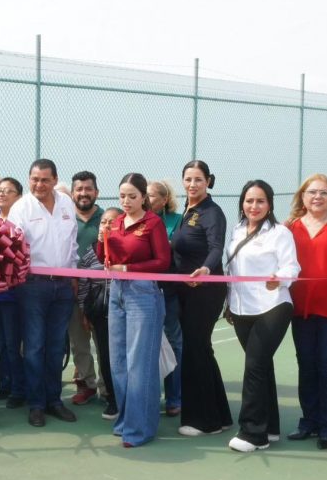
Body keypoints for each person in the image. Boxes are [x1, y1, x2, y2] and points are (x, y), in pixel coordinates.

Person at [225, 180, 299, 453]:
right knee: (262, 366)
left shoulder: (280, 233)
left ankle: (253, 433)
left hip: (273, 306)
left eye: (260, 201)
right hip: (242, 308)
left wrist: (278, 279)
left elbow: (292, 266)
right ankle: (270, 427)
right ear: (242, 203)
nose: (253, 206)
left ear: (269, 205)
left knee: (254, 365)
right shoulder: (236, 231)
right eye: (248, 201)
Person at [97, 174, 170, 447]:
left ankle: (140, 429)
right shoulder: (114, 223)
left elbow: (163, 262)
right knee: (118, 363)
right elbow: (107, 258)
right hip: (116, 292)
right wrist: (102, 242)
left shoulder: (153, 223)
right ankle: (126, 421)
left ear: (143, 198)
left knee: (140, 363)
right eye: (122, 196)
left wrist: (127, 269)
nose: (126, 202)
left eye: (132, 196)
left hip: (143, 294)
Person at [8, 159, 79, 428]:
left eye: (45, 180)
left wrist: (72, 275)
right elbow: (13, 249)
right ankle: (36, 404)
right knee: (35, 346)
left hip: (63, 284)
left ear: (54, 180)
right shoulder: (20, 208)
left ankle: (55, 400)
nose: (39, 184)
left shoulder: (66, 203)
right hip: (32, 285)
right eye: (34, 179)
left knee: (56, 345)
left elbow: (71, 243)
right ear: (29, 180)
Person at [287, 174, 327, 450]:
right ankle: (309, 421)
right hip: (300, 309)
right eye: (312, 192)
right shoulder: (289, 228)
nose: (318, 197)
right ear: (302, 197)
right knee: (306, 363)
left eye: (324, 193)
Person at [170, 160, 232, 437]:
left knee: (195, 351)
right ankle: (220, 415)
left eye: (198, 179)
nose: (192, 184)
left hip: (204, 290)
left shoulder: (212, 212)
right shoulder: (187, 209)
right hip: (185, 291)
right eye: (188, 179)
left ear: (208, 181)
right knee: (202, 350)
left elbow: (217, 246)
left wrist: (206, 268)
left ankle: (203, 422)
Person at [77, 207, 121, 421]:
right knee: (106, 357)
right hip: (101, 315)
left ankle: (131, 398)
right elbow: (84, 285)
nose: (106, 227)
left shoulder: (127, 250)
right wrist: (85, 312)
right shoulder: (90, 252)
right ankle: (113, 400)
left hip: (126, 313)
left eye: (112, 222)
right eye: (103, 222)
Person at [148, 179, 184, 417]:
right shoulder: (136, 220)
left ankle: (174, 398)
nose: (147, 199)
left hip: (169, 291)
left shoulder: (177, 220)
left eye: (151, 195)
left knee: (173, 342)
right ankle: (149, 397)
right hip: (143, 291)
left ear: (164, 199)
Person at [68, 171, 103, 406]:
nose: (83, 193)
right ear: (72, 193)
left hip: (102, 292)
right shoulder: (65, 218)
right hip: (71, 289)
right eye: (79, 189)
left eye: (88, 189)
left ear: (96, 193)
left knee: (104, 341)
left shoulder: (110, 217)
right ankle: (86, 384)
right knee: (79, 341)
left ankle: (108, 386)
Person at [0, 177, 26, 407]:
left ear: (18, 197)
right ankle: (4, 384)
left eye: (8, 191)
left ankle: (18, 389)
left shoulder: (21, 222)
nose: (2, 194)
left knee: (14, 344)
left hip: (14, 294)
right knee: (1, 343)